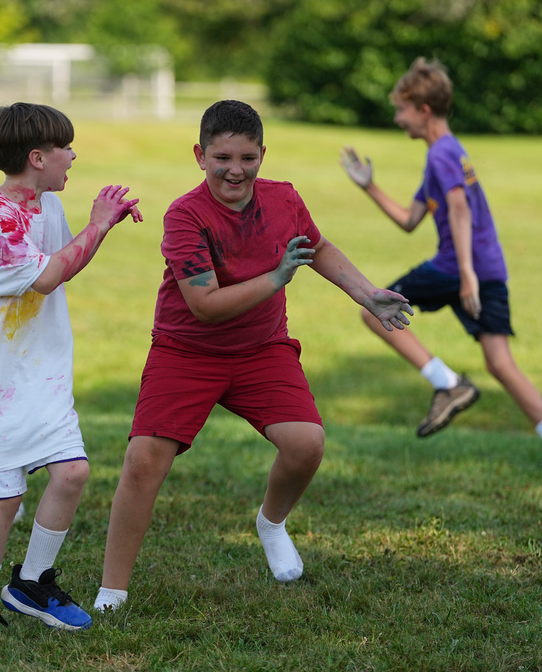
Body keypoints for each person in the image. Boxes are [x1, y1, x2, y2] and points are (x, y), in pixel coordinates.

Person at [93, 99, 414, 613]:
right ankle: (112, 592)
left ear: (263, 153)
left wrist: (367, 294)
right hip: (187, 351)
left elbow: (319, 246)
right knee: (143, 462)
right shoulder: (185, 215)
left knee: (306, 444)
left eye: (247, 157)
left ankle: (271, 522)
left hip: (261, 349)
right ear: (200, 155)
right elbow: (204, 306)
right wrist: (277, 277)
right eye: (222, 157)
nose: (235, 170)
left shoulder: (283, 199)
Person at [0, 102, 141, 640]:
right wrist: (98, 224)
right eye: (65, 148)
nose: (73, 156)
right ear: (36, 157)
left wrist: (103, 226)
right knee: (4, 496)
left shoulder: (46, 204)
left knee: (71, 472)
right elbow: (48, 277)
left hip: (37, 371)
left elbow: (64, 260)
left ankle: (31, 583)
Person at [339, 57, 542, 472]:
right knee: (500, 364)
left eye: (401, 109)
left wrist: (466, 275)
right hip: (488, 267)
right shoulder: (448, 151)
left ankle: (449, 383)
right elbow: (409, 220)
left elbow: (459, 209)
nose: (396, 117)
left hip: (459, 267)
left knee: (374, 308)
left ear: (423, 110)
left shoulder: (441, 154)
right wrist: (369, 186)